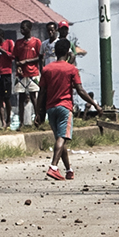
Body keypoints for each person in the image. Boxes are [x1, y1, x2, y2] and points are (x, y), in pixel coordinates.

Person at [38, 37, 83, 180]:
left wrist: (38, 112)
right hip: (65, 107)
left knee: (60, 139)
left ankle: (69, 170)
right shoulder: (72, 69)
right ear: (68, 52)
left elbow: (42, 93)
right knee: (61, 138)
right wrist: (95, 105)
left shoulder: (46, 69)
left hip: (50, 109)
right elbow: (80, 90)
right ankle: (53, 167)